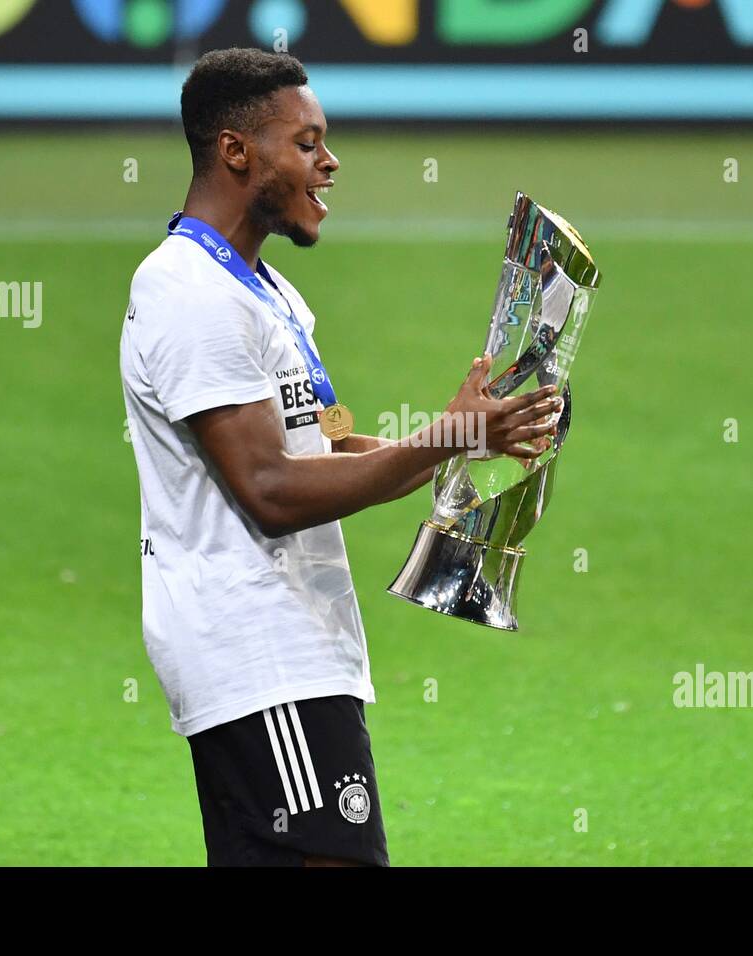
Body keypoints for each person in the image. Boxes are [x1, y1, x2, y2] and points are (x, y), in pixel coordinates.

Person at [119, 47, 559, 866]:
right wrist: (449, 437)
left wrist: (471, 438)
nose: (330, 164)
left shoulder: (268, 292)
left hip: (297, 650)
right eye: (308, 142)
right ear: (236, 150)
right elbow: (270, 489)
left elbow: (322, 448)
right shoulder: (188, 291)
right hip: (256, 651)